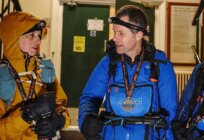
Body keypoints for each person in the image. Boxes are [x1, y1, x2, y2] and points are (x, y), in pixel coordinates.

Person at [78, 5, 177, 140]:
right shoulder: (108, 63)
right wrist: (86, 120)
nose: (114, 38)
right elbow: (90, 97)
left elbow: (170, 116)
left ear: (139, 35)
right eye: (114, 32)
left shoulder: (160, 65)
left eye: (121, 33)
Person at [0, 12, 70, 140]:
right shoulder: (2, 76)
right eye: (31, 35)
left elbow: (62, 105)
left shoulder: (43, 71)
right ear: (13, 38)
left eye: (39, 35)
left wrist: (58, 120)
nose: (37, 39)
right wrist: (25, 115)